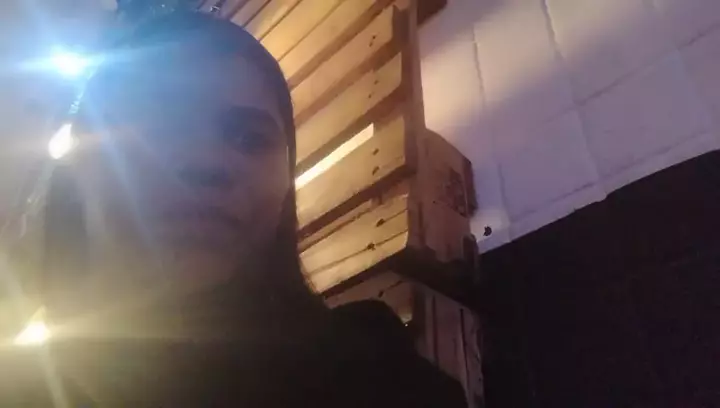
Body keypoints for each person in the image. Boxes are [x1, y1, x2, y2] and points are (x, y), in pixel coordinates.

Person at [16, 11, 467, 407]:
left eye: (250, 138)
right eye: (160, 128)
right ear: (76, 169)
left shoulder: (371, 365)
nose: (208, 162)